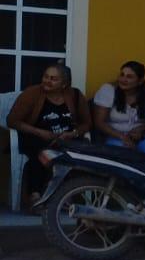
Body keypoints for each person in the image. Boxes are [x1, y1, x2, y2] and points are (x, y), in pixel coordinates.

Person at [6, 62, 90, 206]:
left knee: (76, 153)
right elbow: (12, 121)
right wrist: (39, 132)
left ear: (64, 84)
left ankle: (65, 195)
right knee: (41, 154)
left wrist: (73, 133)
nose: (47, 81)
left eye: (53, 79)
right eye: (46, 76)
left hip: (66, 139)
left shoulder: (75, 96)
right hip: (36, 137)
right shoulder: (31, 94)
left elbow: (87, 123)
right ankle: (35, 196)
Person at [92, 61, 145, 152]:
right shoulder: (108, 90)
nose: (123, 79)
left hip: (140, 138)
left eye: (129, 77)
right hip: (114, 137)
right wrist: (122, 137)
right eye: (122, 75)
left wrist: (143, 129)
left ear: (140, 81)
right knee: (125, 152)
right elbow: (99, 122)